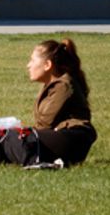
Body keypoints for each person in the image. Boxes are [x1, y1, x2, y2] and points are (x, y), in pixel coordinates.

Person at [6, 36, 96, 167]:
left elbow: (46, 123)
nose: (28, 65)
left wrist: (23, 133)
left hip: (72, 138)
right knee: (8, 137)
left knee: (12, 139)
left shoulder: (63, 86)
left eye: (32, 60)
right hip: (63, 136)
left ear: (47, 65)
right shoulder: (53, 85)